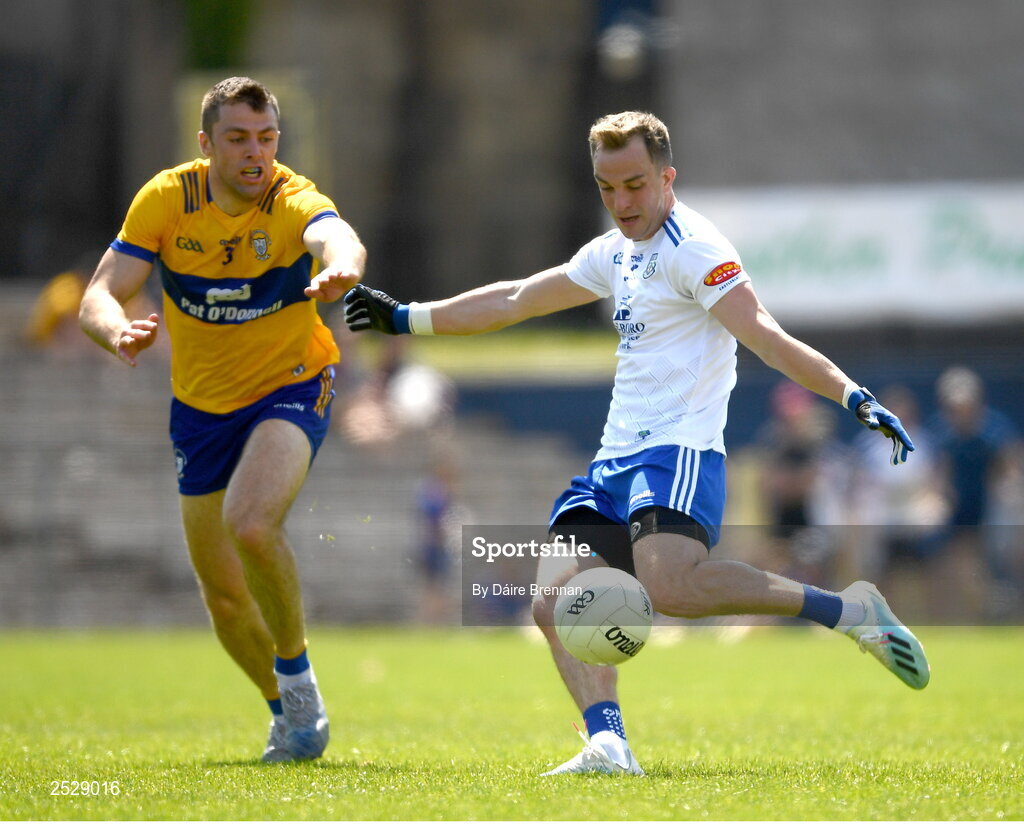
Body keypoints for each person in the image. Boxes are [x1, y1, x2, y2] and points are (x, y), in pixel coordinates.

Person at [342, 111, 929, 776]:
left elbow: (765, 336)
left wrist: (853, 395)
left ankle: (848, 609)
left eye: (635, 184)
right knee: (553, 601)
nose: (621, 202)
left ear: (667, 178)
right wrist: (404, 317)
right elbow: (513, 300)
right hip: (612, 459)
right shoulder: (612, 252)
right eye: (607, 187)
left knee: (670, 586)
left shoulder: (696, 249)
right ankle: (609, 744)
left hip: (677, 452)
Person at [79, 77, 366, 762]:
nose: (255, 153)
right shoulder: (167, 200)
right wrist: (116, 333)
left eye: (267, 138)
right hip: (201, 410)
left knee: (251, 521)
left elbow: (340, 238)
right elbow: (99, 293)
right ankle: (287, 713)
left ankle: (297, 678)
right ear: (206, 144)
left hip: (291, 387)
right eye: (238, 139)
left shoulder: (293, 198)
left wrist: (341, 271)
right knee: (225, 598)